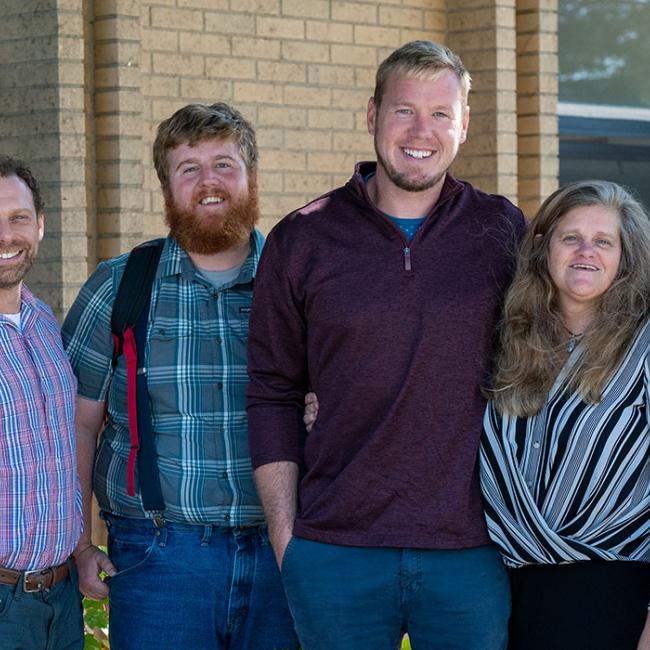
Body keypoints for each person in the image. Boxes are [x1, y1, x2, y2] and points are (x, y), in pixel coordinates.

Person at [246, 41, 527, 649]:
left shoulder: (502, 229)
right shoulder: (303, 237)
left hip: (472, 550)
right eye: (404, 110)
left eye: (441, 114)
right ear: (372, 115)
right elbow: (271, 392)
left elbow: (543, 358)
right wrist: (287, 538)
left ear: (464, 124)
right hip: (334, 551)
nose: (420, 131)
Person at [61, 103, 298, 650]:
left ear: (252, 176)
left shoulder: (297, 284)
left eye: (224, 164)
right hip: (158, 560)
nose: (208, 182)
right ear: (166, 187)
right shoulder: (119, 286)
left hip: (287, 557)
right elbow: (76, 423)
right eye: (189, 168)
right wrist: (78, 543)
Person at [480, 180, 650, 650]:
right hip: (501, 588)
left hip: (610, 591)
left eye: (603, 242)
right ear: (544, 248)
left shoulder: (644, 344)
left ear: (625, 257)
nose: (585, 252)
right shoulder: (509, 336)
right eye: (570, 237)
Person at [0, 156, 83, 649]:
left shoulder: (45, 323)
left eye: (18, 218)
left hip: (61, 598)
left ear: (41, 226)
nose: (6, 237)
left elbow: (57, 455)